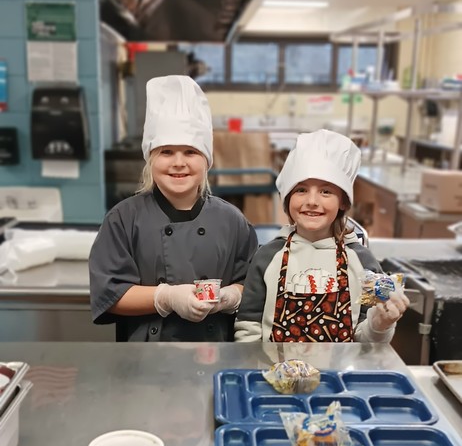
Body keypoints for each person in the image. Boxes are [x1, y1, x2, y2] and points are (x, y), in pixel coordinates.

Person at [90, 76, 258, 341]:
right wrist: (165, 297)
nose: (178, 163)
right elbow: (109, 294)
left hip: (214, 354)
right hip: (143, 361)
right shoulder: (123, 218)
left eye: (190, 152)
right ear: (150, 159)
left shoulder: (232, 221)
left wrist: (230, 297)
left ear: (206, 161)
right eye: (166, 152)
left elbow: (251, 284)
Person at [235, 129, 409, 344]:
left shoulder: (362, 262)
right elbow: (249, 325)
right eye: (301, 190)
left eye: (326, 191)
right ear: (287, 199)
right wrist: (251, 368)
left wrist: (380, 323)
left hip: (339, 376)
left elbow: (368, 343)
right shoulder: (268, 256)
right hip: (275, 374)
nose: (312, 201)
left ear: (343, 202)